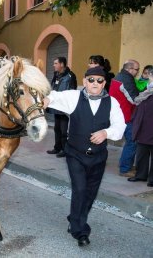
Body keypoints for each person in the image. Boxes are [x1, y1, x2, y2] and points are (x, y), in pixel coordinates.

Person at [43, 66, 126, 247]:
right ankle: (80, 231)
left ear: (104, 83)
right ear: (85, 80)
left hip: (99, 156)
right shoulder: (74, 97)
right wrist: (48, 99)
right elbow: (56, 96)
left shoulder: (112, 102)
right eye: (91, 80)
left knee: (90, 193)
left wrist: (106, 132)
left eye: (99, 80)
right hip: (75, 154)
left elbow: (120, 127)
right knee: (80, 189)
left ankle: (75, 219)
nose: (95, 83)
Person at [109, 59, 140, 177]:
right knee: (132, 142)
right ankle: (125, 169)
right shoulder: (126, 79)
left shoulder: (119, 76)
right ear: (130, 69)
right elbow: (134, 99)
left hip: (120, 114)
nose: (138, 72)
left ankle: (125, 164)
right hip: (125, 115)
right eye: (137, 69)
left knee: (130, 141)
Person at [46, 57, 77, 158]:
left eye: (55, 63)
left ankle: (65, 149)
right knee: (56, 128)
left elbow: (72, 91)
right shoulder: (56, 75)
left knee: (64, 131)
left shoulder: (70, 76)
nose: (53, 65)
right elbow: (53, 87)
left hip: (64, 107)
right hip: (56, 106)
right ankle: (57, 147)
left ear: (62, 64)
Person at [128, 67, 153, 186]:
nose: (150, 80)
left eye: (151, 78)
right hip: (143, 126)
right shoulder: (146, 91)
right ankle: (141, 175)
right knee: (142, 152)